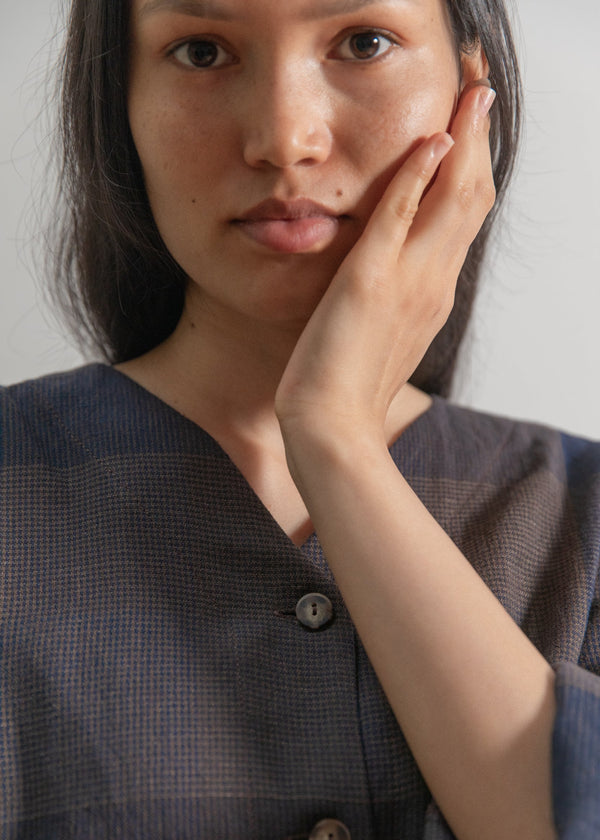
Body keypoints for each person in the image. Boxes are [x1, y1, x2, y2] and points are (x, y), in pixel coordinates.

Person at [0, 0, 598, 837]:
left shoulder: (587, 517)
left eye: (364, 43)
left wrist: (337, 440)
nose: (285, 140)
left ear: (473, 89)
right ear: (117, 103)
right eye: (202, 51)